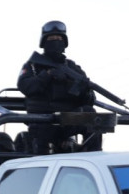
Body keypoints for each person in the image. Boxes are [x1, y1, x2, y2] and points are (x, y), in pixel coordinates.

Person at [17, 20, 101, 154]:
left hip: (67, 121)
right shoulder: (33, 66)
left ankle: (94, 155)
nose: (56, 42)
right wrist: (48, 75)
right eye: (51, 39)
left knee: (92, 114)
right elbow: (26, 86)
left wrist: (76, 86)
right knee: (41, 155)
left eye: (59, 38)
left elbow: (87, 95)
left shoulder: (72, 67)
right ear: (44, 42)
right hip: (42, 121)